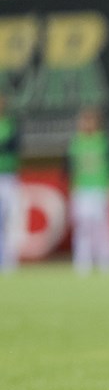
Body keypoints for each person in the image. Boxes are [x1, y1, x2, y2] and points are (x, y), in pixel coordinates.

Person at [67, 107, 109, 274]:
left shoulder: (104, 141)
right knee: (83, 227)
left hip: (100, 188)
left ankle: (107, 262)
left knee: (102, 226)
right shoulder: (76, 142)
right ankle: (83, 262)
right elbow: (70, 168)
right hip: (82, 188)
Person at [0, 95, 21, 272]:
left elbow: (13, 145)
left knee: (10, 219)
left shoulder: (11, 125)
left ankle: (9, 261)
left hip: (7, 177)